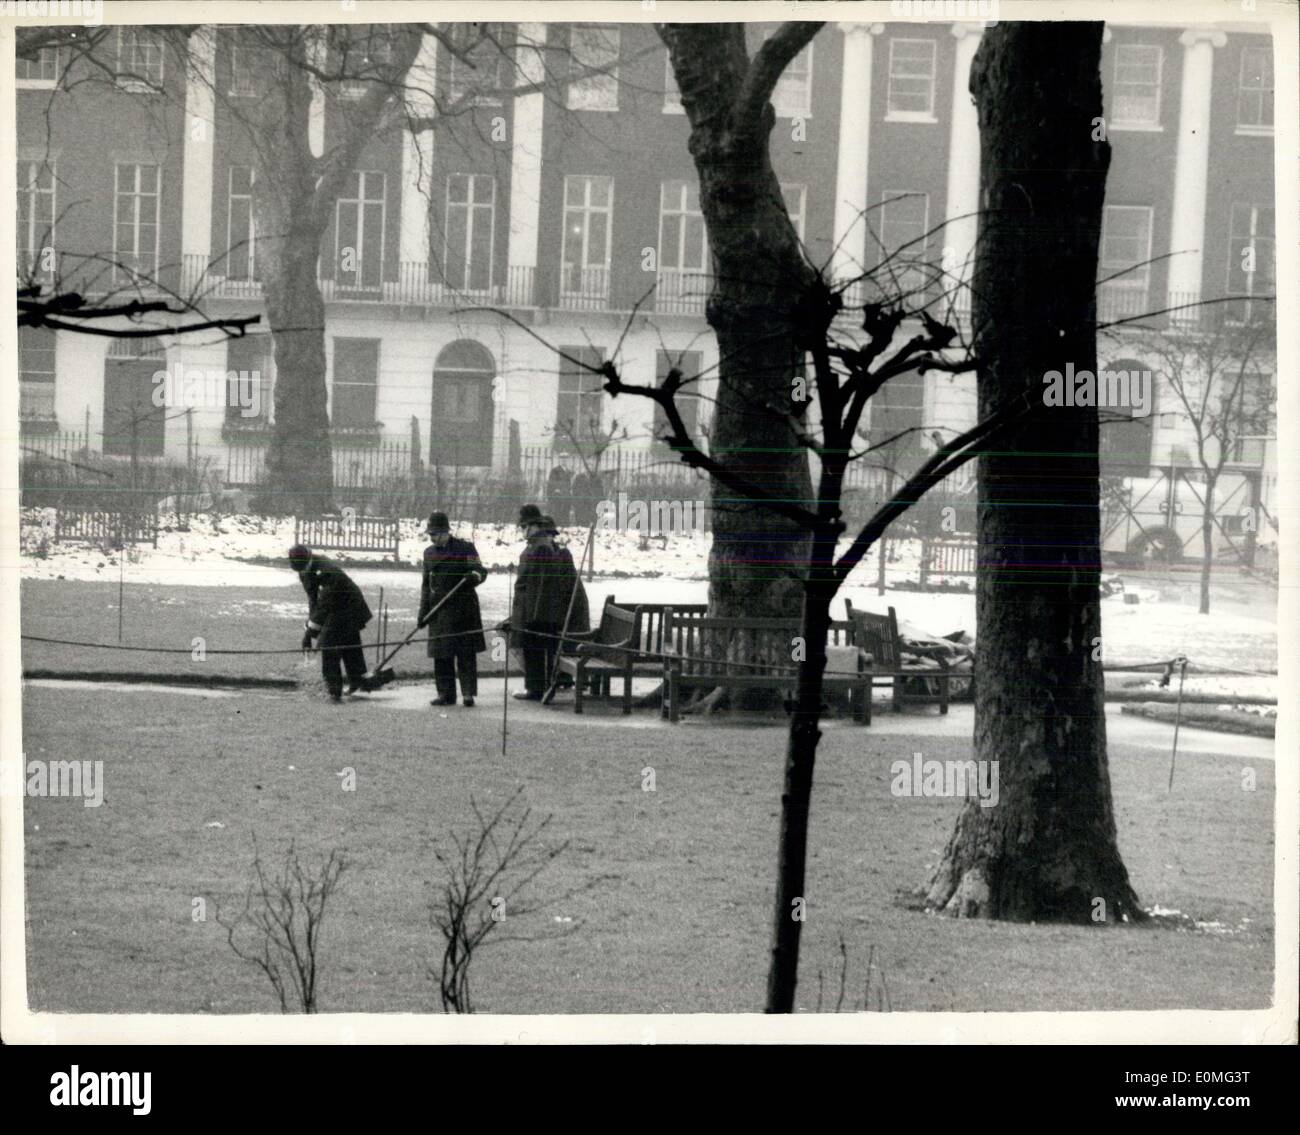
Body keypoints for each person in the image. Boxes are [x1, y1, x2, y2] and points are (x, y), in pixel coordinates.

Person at [505, 515, 589, 700]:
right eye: (547, 534)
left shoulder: (557, 554)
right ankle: (548, 680)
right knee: (534, 640)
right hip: (553, 611)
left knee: (538, 642)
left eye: (551, 535)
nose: (549, 538)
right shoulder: (552, 553)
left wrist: (537, 615)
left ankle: (543, 683)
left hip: (562, 613)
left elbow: (557, 588)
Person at [288, 544, 373, 703]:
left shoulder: (326, 569)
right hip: (335, 606)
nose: (303, 572)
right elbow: (313, 600)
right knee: (347, 641)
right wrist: (309, 627)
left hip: (349, 605)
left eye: (304, 567)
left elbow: (325, 603)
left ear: (309, 558)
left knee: (329, 643)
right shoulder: (303, 570)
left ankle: (333, 692)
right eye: (299, 570)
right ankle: (359, 682)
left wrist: (310, 633)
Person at [419, 512, 488, 707]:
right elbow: (426, 584)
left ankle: (468, 693)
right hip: (438, 610)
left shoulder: (466, 548)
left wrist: (475, 576)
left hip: (463, 607)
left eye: (436, 534)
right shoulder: (429, 553)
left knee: (465, 653)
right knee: (442, 654)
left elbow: (480, 570)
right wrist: (422, 613)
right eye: (431, 535)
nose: (433, 538)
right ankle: (445, 694)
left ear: (446, 532)